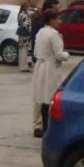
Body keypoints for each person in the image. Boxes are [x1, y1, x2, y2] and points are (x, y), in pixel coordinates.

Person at [31, 9, 70, 137]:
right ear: (52, 20)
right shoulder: (54, 34)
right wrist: (67, 54)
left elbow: (36, 51)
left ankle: (43, 126)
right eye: (58, 19)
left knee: (42, 97)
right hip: (51, 68)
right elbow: (59, 55)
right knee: (51, 98)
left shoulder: (41, 32)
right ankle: (50, 128)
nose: (60, 21)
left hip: (40, 66)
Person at [16, 2, 34, 72]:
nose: (29, 9)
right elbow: (26, 25)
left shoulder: (21, 14)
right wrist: (30, 30)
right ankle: (24, 66)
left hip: (22, 35)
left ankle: (22, 65)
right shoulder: (24, 15)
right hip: (25, 35)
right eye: (28, 7)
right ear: (25, 8)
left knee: (22, 50)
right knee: (24, 50)